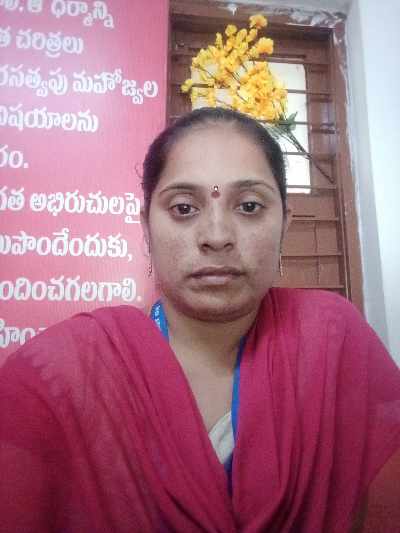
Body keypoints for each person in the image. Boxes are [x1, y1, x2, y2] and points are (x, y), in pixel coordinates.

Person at [0, 107, 399, 532]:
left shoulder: (334, 341)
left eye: (249, 206)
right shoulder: (60, 376)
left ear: (285, 223)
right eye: (184, 207)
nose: (216, 236)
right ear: (146, 226)